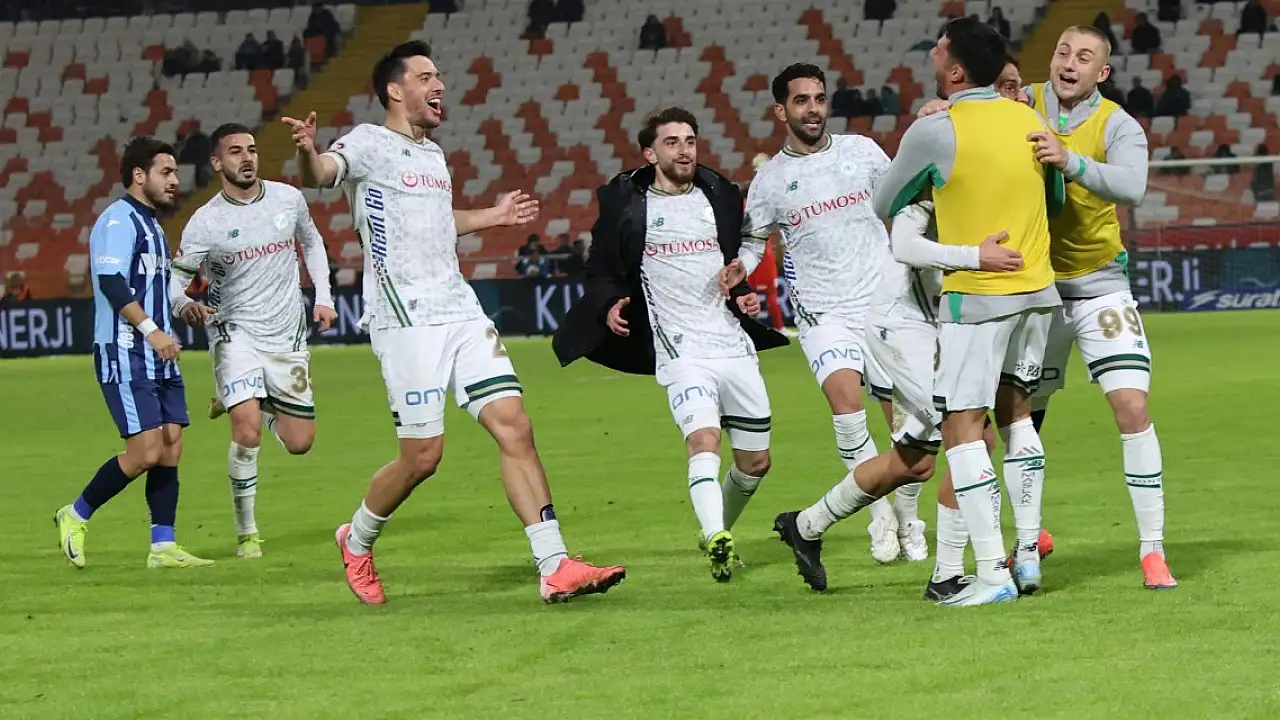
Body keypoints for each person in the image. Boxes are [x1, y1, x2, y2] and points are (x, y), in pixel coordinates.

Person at [281, 41, 625, 605]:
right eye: (425, 76)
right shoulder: (368, 142)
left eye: (438, 75)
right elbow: (321, 173)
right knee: (423, 457)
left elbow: (440, 220)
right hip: (405, 318)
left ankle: (555, 564)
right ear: (395, 90)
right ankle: (356, 538)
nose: (438, 84)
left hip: (459, 309)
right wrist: (305, 152)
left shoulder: (433, 156)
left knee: (515, 426)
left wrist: (494, 216)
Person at [776, 56, 1052, 599]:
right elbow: (902, 242)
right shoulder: (942, 159)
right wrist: (974, 256)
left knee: (917, 462)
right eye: (1004, 89)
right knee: (971, 431)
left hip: (943, 322)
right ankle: (948, 573)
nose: (1015, 100)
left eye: (1019, 91)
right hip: (899, 321)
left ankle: (805, 525)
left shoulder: (1006, 165)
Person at [872, 17, 1064, 606]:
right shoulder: (1029, 119)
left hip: (977, 296)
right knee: (1017, 417)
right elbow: (1054, 197)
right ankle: (1024, 553)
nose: (931, 51)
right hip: (1040, 293)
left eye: (939, 47)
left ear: (955, 71)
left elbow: (884, 202)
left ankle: (990, 575)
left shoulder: (937, 128)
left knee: (962, 427)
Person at [553, 108, 788, 581]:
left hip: (730, 342)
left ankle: (715, 531)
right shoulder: (627, 203)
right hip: (680, 348)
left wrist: (741, 290)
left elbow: (735, 254)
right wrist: (609, 303)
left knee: (756, 463)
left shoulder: (719, 194)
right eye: (672, 142)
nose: (684, 150)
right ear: (650, 153)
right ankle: (718, 536)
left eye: (690, 141)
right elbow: (601, 269)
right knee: (704, 438)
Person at [725, 63, 921, 566]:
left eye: (818, 98)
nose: (813, 109)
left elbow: (902, 202)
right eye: (801, 101)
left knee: (905, 423)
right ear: (781, 111)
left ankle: (909, 519)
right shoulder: (770, 180)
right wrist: (740, 269)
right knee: (846, 407)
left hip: (884, 302)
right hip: (823, 312)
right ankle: (879, 519)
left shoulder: (862, 151)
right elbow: (754, 241)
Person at [1024, 25, 1175, 590]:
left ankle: (1153, 551)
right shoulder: (1022, 101)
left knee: (1132, 406)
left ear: (1102, 73)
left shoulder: (1118, 124)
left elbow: (1132, 187)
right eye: (1063, 52)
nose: (1070, 63)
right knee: (1022, 419)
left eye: (1084, 57)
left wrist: (1070, 161)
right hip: (1035, 288)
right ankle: (1029, 537)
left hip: (1100, 286)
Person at [168, 123, 338, 560]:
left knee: (300, 442)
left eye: (252, 150)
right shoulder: (206, 221)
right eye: (235, 152)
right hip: (234, 332)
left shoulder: (288, 199)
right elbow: (176, 282)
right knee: (245, 433)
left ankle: (248, 399)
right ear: (216, 162)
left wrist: (324, 296)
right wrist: (183, 305)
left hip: (286, 335)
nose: (246, 158)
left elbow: (312, 242)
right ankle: (247, 534)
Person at [54, 137, 214, 570]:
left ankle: (163, 546)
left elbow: (156, 288)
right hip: (126, 350)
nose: (175, 180)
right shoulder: (117, 220)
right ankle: (75, 514)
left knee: (171, 444)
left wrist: (183, 308)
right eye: (166, 172)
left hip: (158, 351)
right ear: (139, 175)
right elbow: (110, 282)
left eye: (175, 172)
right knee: (145, 452)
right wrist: (152, 331)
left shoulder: (154, 227)